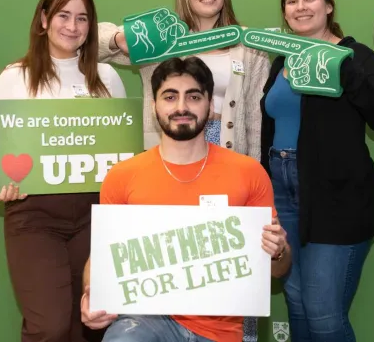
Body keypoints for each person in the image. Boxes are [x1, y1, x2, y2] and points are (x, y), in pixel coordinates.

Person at [80, 56, 291, 342]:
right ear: (154, 106)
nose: (182, 107)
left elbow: (278, 270)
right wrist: (92, 296)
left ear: (210, 105)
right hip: (143, 320)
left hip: (220, 330)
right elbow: (101, 257)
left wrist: (278, 251)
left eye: (193, 96)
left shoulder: (248, 172)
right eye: (170, 97)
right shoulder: (122, 176)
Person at [0, 0, 127, 342]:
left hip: (94, 214)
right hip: (34, 215)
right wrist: (3, 179)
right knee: (50, 326)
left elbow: (123, 143)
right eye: (63, 15)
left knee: (90, 323)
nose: (72, 27)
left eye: (82, 18)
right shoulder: (16, 77)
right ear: (43, 19)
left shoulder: (106, 78)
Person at [260, 0, 374, 342]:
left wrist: (344, 69)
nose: (301, 7)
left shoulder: (355, 55)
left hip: (336, 201)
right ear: (285, 13)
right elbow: (269, 128)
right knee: (299, 309)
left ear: (328, 5)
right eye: (292, 1)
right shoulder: (280, 63)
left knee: (324, 317)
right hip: (282, 196)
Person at [97, 0, 270, 160]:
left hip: (229, 154)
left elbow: (255, 120)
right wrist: (119, 39)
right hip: (169, 154)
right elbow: (90, 43)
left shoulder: (248, 46)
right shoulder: (164, 41)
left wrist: (254, 168)